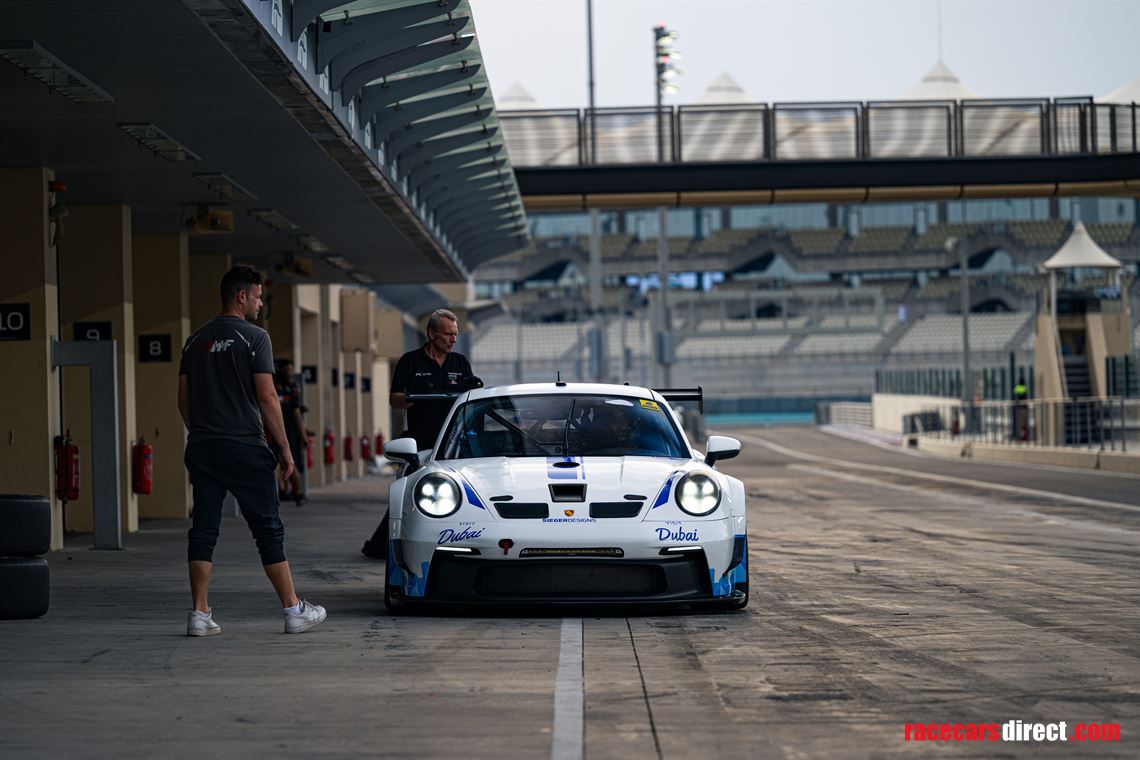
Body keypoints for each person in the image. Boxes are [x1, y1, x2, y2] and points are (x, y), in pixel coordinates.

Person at [178, 264, 326, 636]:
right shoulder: (255, 337)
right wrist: (285, 447)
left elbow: (183, 400)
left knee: (203, 530)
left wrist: (202, 432)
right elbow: (267, 396)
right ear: (241, 296)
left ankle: (199, 614)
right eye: (258, 296)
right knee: (267, 529)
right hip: (245, 446)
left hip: (204, 447)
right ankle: (293, 610)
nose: (261, 304)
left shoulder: (194, 341)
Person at [360, 308, 479, 560]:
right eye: (448, 334)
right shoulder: (409, 362)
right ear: (431, 333)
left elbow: (472, 399)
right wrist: (415, 397)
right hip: (420, 442)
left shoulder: (460, 363)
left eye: (455, 334)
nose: (453, 339)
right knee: (410, 492)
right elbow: (394, 399)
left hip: (455, 443)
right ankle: (384, 544)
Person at [275, 359, 307, 506]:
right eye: (286, 369)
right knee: (275, 462)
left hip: (290, 431)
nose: (289, 372)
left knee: (290, 462)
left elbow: (296, 412)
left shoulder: (293, 388)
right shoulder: (274, 386)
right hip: (273, 429)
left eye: (291, 369)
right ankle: (283, 490)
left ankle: (297, 492)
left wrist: (303, 435)